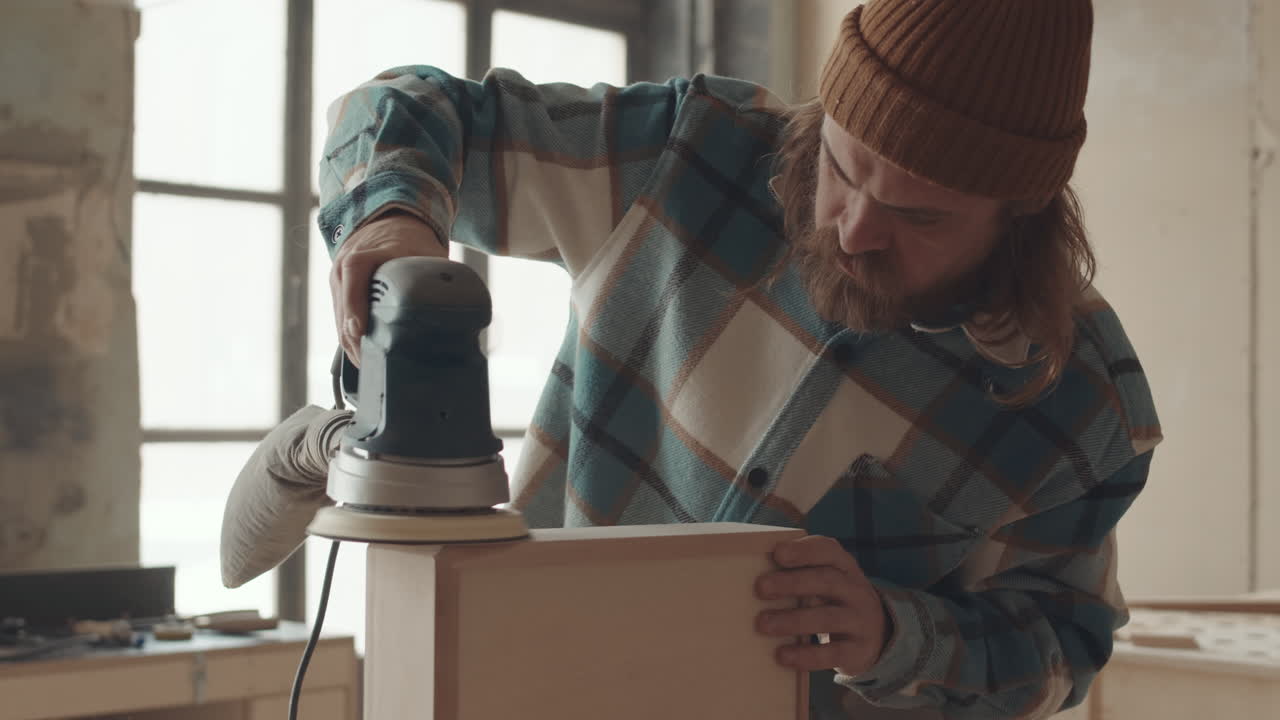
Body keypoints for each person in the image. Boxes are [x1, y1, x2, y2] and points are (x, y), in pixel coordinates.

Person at [222, 1, 1162, 717]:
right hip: (526, 688)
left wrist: (892, 633)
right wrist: (390, 216)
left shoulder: (1078, 406)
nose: (855, 231)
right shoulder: (686, 157)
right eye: (843, 166)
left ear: (1021, 215)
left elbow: (1062, 645)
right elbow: (398, 108)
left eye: (920, 216)